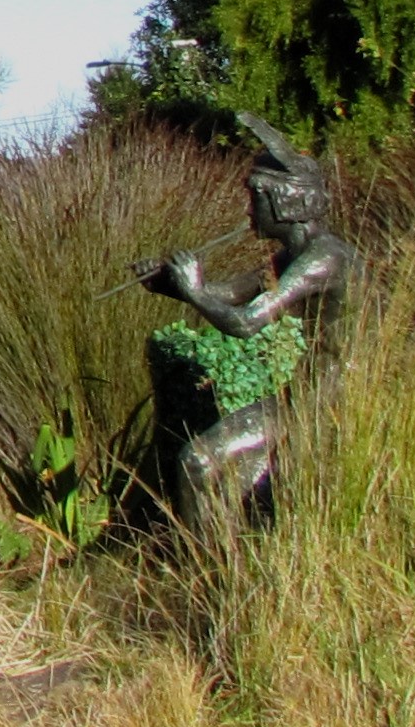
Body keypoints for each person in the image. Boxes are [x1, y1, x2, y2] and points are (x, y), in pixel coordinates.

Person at [139, 115, 356, 527]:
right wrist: (171, 284)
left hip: (333, 403)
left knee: (200, 462)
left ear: (281, 202)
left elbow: (243, 323)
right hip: (308, 395)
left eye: (254, 197)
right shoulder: (291, 257)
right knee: (222, 478)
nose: (248, 210)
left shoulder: (322, 258)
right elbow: (232, 293)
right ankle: (218, 579)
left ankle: (209, 576)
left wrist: (196, 290)